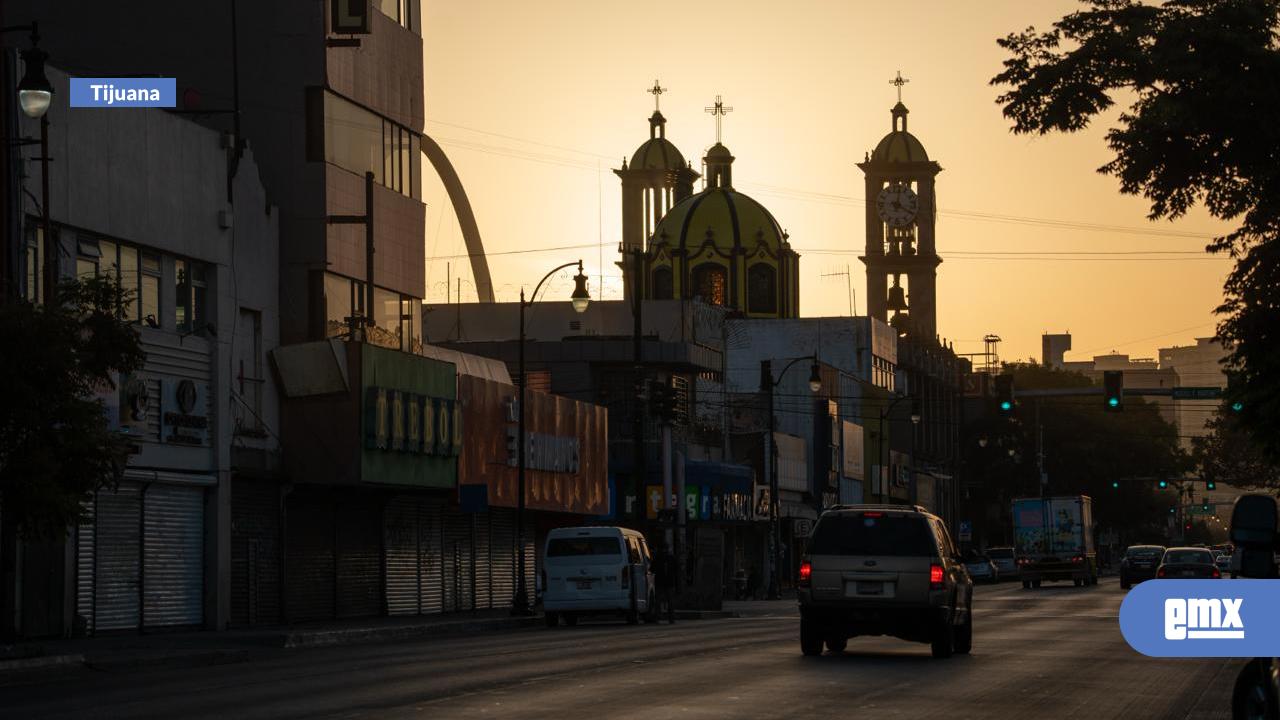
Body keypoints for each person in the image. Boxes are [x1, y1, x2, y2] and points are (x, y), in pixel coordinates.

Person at [654, 548, 677, 624]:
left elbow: (652, 569)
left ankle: (658, 618)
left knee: (659, 601)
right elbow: (677, 570)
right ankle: (671, 619)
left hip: (661, 583)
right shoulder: (671, 558)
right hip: (668, 583)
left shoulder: (658, 558)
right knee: (669, 601)